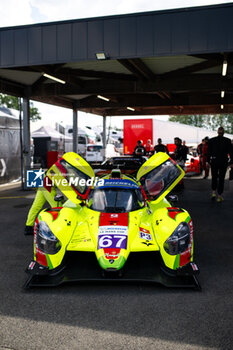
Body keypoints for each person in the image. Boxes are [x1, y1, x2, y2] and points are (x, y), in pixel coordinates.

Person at [207, 127, 233, 202]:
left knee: (214, 177)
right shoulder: (227, 141)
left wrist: (207, 161)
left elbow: (209, 152)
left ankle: (213, 193)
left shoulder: (212, 140)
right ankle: (219, 196)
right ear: (223, 132)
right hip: (223, 162)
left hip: (214, 161)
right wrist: (231, 162)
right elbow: (231, 152)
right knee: (221, 179)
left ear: (217, 132)